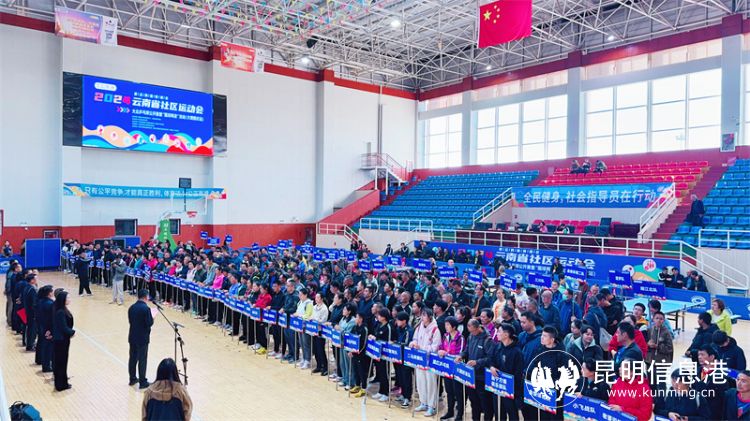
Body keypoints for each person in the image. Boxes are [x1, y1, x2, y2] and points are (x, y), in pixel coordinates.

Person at [458, 318, 494, 421]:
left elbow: (490, 358)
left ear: (478, 328)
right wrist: (461, 355)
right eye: (470, 331)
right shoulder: (471, 336)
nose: (472, 333)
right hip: (471, 375)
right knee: (474, 402)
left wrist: (477, 362)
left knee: (485, 403)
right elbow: (466, 350)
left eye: (473, 331)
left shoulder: (487, 340)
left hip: (482, 377)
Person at [410, 308, 441, 416]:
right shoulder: (419, 327)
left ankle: (432, 407)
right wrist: (413, 343)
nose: (422, 317)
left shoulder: (435, 330)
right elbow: (415, 338)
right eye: (422, 315)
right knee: (420, 382)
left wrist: (422, 348)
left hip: (430, 362)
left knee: (430, 384)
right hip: (419, 360)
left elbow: (435, 347)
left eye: (424, 315)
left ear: (430, 317)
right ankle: (423, 402)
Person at [491, 323, 524, 421]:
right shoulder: (498, 347)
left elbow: (518, 373)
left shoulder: (517, 352)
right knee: (499, 413)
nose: (497, 333)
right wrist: (492, 367)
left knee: (512, 414)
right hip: (498, 385)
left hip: (511, 389)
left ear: (506, 334)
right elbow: (491, 359)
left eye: (499, 331)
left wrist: (513, 389)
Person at [438, 316, 466, 420]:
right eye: (445, 324)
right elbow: (441, 347)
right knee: (449, 391)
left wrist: (447, 354)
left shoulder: (460, 338)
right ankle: (450, 411)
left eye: (448, 325)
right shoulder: (445, 336)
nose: (446, 327)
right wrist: (440, 351)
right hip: (447, 368)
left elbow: (460, 354)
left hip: (457, 369)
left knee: (458, 393)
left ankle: (459, 415)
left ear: (454, 326)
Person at [129, 289, 155, 389]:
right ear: (145, 297)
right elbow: (149, 323)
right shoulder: (146, 309)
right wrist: (153, 318)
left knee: (133, 358)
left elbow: (131, 321)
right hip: (142, 338)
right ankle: (142, 381)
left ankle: (132, 378)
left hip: (132, 336)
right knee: (142, 359)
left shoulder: (131, 307)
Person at [369, 308, 393, 401]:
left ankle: (386, 393)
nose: (378, 317)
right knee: (379, 372)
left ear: (384, 317)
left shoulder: (388, 327)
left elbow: (389, 342)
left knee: (385, 374)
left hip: (385, 355)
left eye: (379, 315)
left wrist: (377, 339)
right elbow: (377, 336)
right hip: (377, 353)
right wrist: (373, 337)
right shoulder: (379, 325)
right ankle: (380, 391)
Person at [53, 291, 75, 391]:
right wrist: (72, 332)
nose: (69, 299)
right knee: (61, 362)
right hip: (61, 340)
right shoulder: (60, 312)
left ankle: (63, 382)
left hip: (63, 339)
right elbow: (63, 327)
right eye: (68, 298)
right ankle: (60, 384)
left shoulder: (63, 310)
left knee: (63, 361)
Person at [36, 285, 55, 373]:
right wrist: (50, 330)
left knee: (42, 345)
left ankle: (41, 361)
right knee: (48, 348)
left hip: (41, 326)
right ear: (49, 293)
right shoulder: (50, 304)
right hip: (47, 328)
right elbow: (51, 318)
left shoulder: (40, 301)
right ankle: (46, 366)